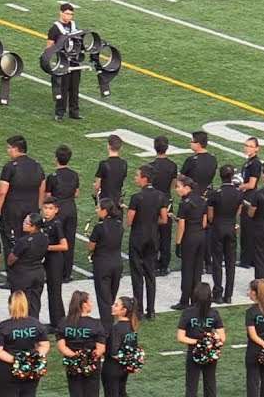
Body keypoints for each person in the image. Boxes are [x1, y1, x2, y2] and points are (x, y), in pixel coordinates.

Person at [0, 135, 46, 264]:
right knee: (28, 239)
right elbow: (42, 188)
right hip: (31, 209)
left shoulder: (10, 167)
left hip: (12, 211)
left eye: (9, 148)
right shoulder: (37, 165)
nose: (8, 151)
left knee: (11, 242)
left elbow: (2, 191)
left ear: (16, 149)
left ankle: (12, 274)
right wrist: (38, 208)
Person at [126, 164, 168, 319]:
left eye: (137, 175)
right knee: (150, 274)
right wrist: (151, 220)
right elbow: (164, 219)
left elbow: (130, 221)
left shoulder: (136, 197)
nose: (135, 178)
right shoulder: (160, 196)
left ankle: (138, 310)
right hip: (153, 237)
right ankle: (151, 311)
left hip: (138, 237)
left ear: (144, 178)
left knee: (137, 275)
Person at [0, 291, 50, 397]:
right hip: (30, 369)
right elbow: (45, 345)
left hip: (8, 371)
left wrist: (17, 361)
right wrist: (31, 358)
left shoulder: (3, 326)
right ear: (26, 305)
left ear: (10, 305)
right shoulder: (36, 323)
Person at [177, 282, 224, 397]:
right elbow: (222, 338)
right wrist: (209, 341)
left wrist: (197, 342)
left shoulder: (187, 313)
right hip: (210, 352)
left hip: (193, 352)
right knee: (210, 384)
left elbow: (180, 337)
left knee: (191, 386)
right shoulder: (214, 313)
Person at [57, 291, 106, 397]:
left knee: (75, 392)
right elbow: (100, 349)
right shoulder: (95, 324)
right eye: (90, 301)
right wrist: (87, 359)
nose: (92, 304)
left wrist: (74, 356)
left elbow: (61, 346)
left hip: (72, 365)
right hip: (91, 365)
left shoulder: (64, 322)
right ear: (84, 304)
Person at [207, 166, 242, 304]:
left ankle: (217, 293)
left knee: (217, 261)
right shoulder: (239, 193)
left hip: (218, 227)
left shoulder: (215, 194)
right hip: (231, 227)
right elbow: (238, 212)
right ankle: (228, 295)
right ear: (232, 175)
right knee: (230, 262)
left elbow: (210, 216)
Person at [172, 176, 208, 310]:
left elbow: (181, 227)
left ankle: (184, 301)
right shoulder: (202, 201)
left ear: (187, 187)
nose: (176, 189)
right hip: (201, 236)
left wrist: (178, 243)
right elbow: (204, 223)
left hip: (190, 237)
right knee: (197, 270)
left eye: (178, 187)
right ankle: (195, 300)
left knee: (187, 270)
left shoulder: (184, 204)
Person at [89, 199, 124, 330]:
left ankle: (107, 328)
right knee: (111, 295)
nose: (96, 210)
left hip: (102, 264)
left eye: (98, 208)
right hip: (117, 263)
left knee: (104, 298)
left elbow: (91, 246)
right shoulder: (119, 224)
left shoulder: (99, 227)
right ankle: (111, 323)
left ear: (104, 211)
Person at [46, 4, 84, 119]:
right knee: (63, 88)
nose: (69, 16)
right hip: (63, 61)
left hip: (74, 61)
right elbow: (49, 46)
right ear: (61, 13)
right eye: (67, 13)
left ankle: (74, 112)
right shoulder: (55, 28)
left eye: (71, 14)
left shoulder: (73, 25)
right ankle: (59, 113)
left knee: (74, 88)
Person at [7, 213, 48, 320]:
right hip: (38, 273)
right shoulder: (44, 238)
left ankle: (21, 326)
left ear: (33, 226)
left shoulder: (23, 241)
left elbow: (11, 259)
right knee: (35, 303)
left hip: (23, 275)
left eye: (26, 222)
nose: (23, 223)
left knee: (19, 303)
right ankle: (34, 326)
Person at [150, 137, 179, 275]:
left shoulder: (151, 166)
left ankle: (154, 263)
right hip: (167, 200)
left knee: (153, 232)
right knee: (166, 234)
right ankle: (164, 265)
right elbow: (173, 185)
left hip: (154, 202)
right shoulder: (172, 165)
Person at [102, 296, 138, 397]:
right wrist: (129, 361)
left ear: (123, 310)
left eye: (116, 305)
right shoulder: (132, 326)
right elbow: (133, 348)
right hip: (124, 368)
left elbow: (114, 352)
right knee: (122, 392)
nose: (112, 307)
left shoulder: (116, 328)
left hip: (112, 367)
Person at [42, 198, 70, 328]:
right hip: (48, 260)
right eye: (46, 208)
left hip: (55, 260)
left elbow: (64, 246)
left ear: (56, 210)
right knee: (51, 291)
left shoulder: (56, 223)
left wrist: (46, 247)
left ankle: (58, 323)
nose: (47, 211)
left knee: (54, 291)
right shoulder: (45, 223)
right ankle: (56, 321)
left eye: (50, 209)